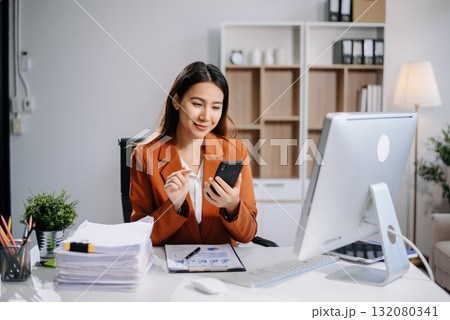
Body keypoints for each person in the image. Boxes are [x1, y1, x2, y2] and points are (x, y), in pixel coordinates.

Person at [129, 61, 258, 246]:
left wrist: (233, 206)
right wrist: (174, 207)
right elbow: (140, 237)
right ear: (176, 101)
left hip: (221, 270)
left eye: (215, 107)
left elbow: (248, 235)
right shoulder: (144, 156)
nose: (206, 116)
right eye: (197, 104)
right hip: (168, 270)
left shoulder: (235, 151)